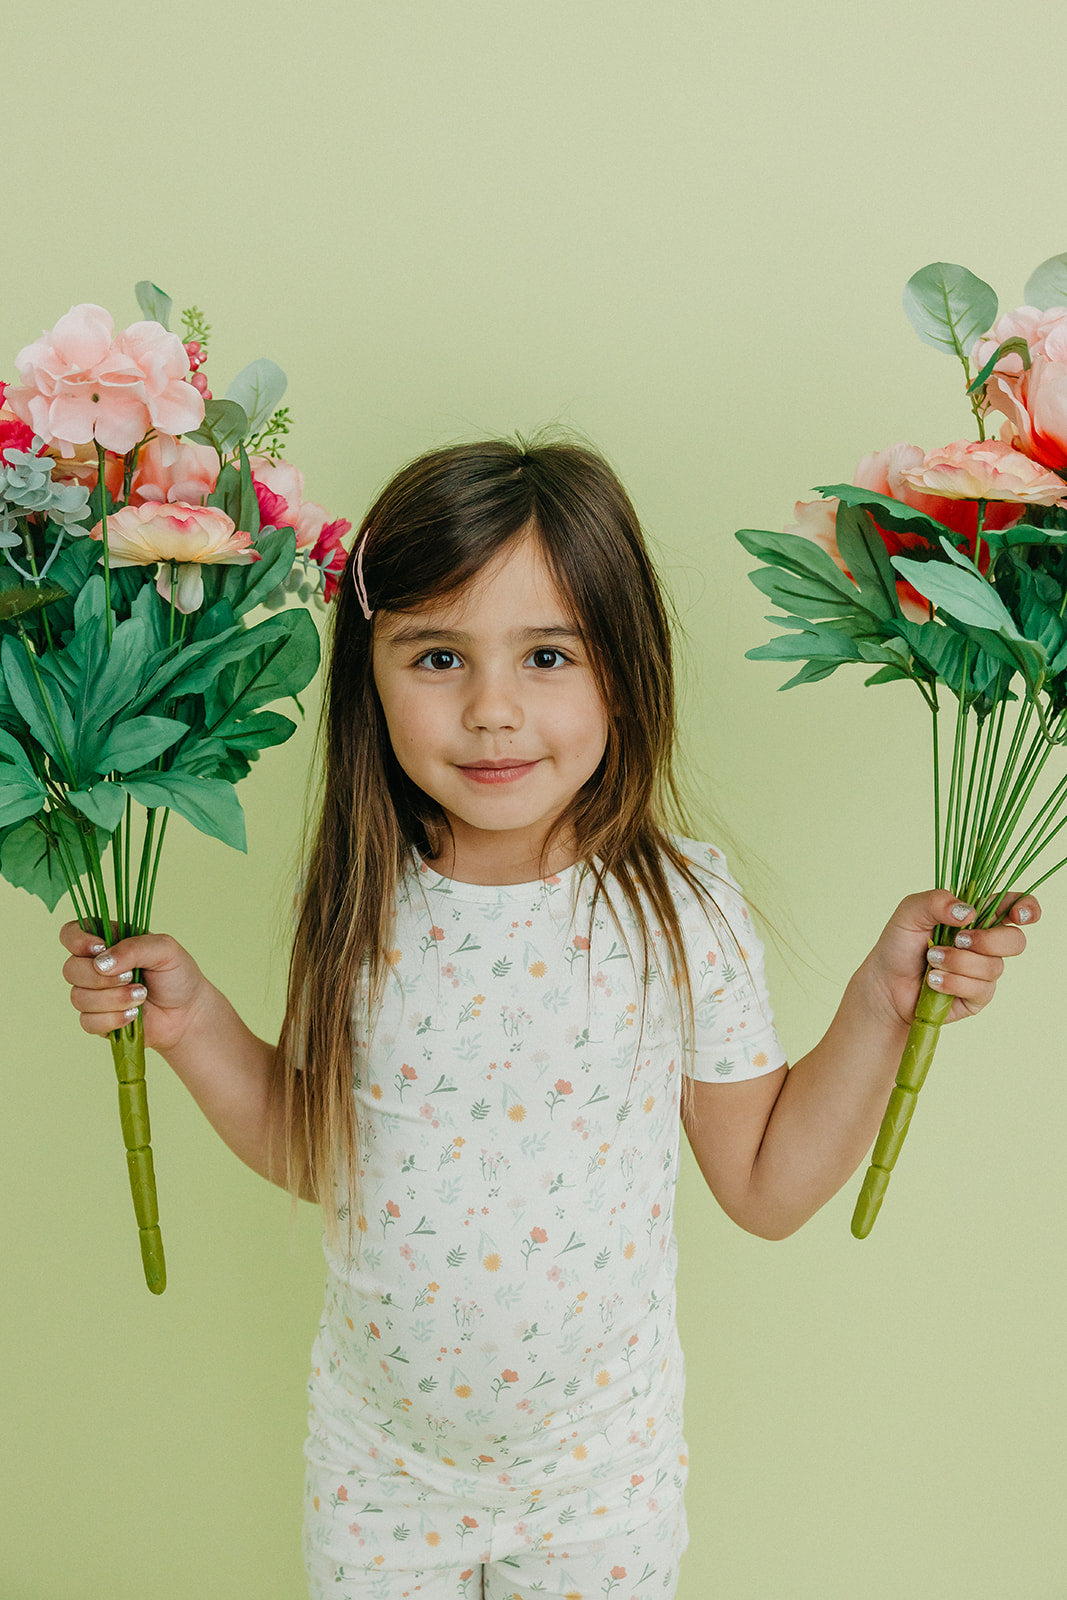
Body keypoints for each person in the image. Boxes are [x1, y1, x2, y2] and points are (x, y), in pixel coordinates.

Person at [60, 438, 1039, 1600]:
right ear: (367, 678)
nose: (491, 710)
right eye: (435, 655)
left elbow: (765, 1184)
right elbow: (322, 1149)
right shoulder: (361, 895)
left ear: (624, 669)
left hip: (596, 1478)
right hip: (380, 1475)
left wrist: (882, 1003)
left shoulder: (677, 906)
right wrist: (194, 1025)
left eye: (546, 654)